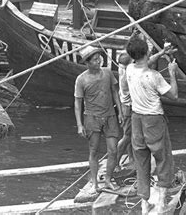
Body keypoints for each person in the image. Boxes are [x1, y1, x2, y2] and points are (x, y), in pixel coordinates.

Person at [123, 36, 178, 214]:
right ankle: (161, 203)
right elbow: (174, 96)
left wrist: (161, 53)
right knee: (163, 158)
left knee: (142, 161)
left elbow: (143, 63)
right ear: (146, 53)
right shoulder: (155, 77)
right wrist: (172, 72)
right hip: (153, 120)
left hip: (136, 118)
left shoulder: (129, 69)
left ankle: (144, 203)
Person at [74, 46, 123, 194]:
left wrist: (120, 112)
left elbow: (115, 92)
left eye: (99, 58)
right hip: (92, 118)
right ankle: (94, 183)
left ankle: (108, 179)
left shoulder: (107, 73)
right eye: (95, 60)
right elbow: (77, 103)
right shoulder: (81, 79)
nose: (98, 61)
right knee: (94, 151)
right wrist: (79, 125)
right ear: (87, 63)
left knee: (113, 150)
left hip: (110, 116)